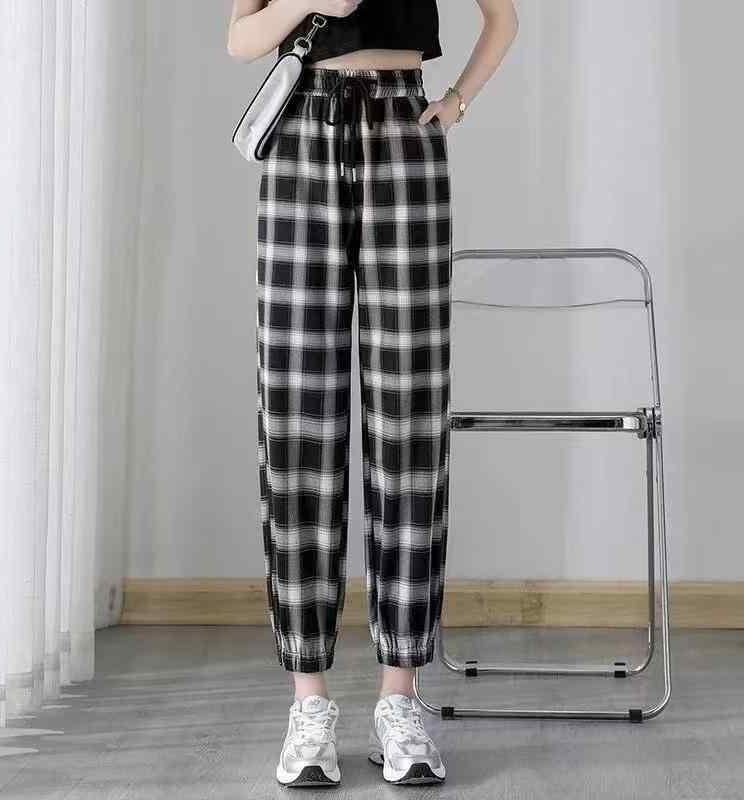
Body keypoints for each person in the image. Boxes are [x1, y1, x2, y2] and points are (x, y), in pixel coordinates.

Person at [228, 0, 518, 787]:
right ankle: (309, 705)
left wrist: (455, 102)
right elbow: (241, 39)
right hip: (300, 134)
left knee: (409, 417)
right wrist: (305, 3)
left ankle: (400, 699)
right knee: (297, 416)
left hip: (403, 132)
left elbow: (503, 18)